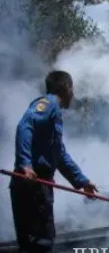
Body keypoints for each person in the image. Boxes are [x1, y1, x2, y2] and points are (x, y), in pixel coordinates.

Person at [9, 70, 98, 253]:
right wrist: (25, 165)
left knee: (38, 241)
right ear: (66, 88)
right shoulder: (48, 104)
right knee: (39, 243)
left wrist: (83, 182)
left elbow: (60, 156)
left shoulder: (53, 115)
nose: (73, 94)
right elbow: (25, 126)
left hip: (37, 185)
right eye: (72, 89)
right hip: (33, 184)